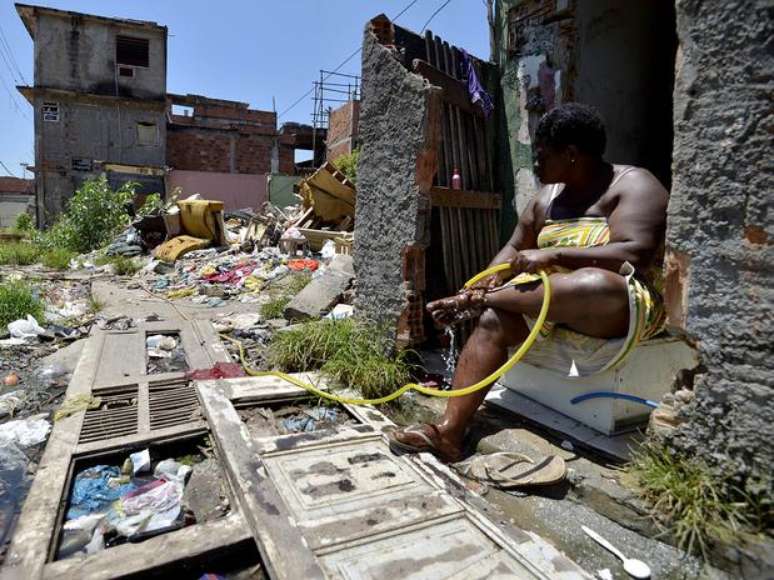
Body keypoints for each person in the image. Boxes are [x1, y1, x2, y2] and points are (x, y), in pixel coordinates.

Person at [389, 103, 668, 463]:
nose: (536, 164)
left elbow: (636, 252)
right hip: (550, 307)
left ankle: (481, 303)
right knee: (493, 319)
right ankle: (449, 432)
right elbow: (511, 253)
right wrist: (475, 288)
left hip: (616, 305)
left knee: (592, 282)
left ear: (570, 154)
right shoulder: (545, 200)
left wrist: (553, 257)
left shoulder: (633, 183)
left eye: (542, 156)